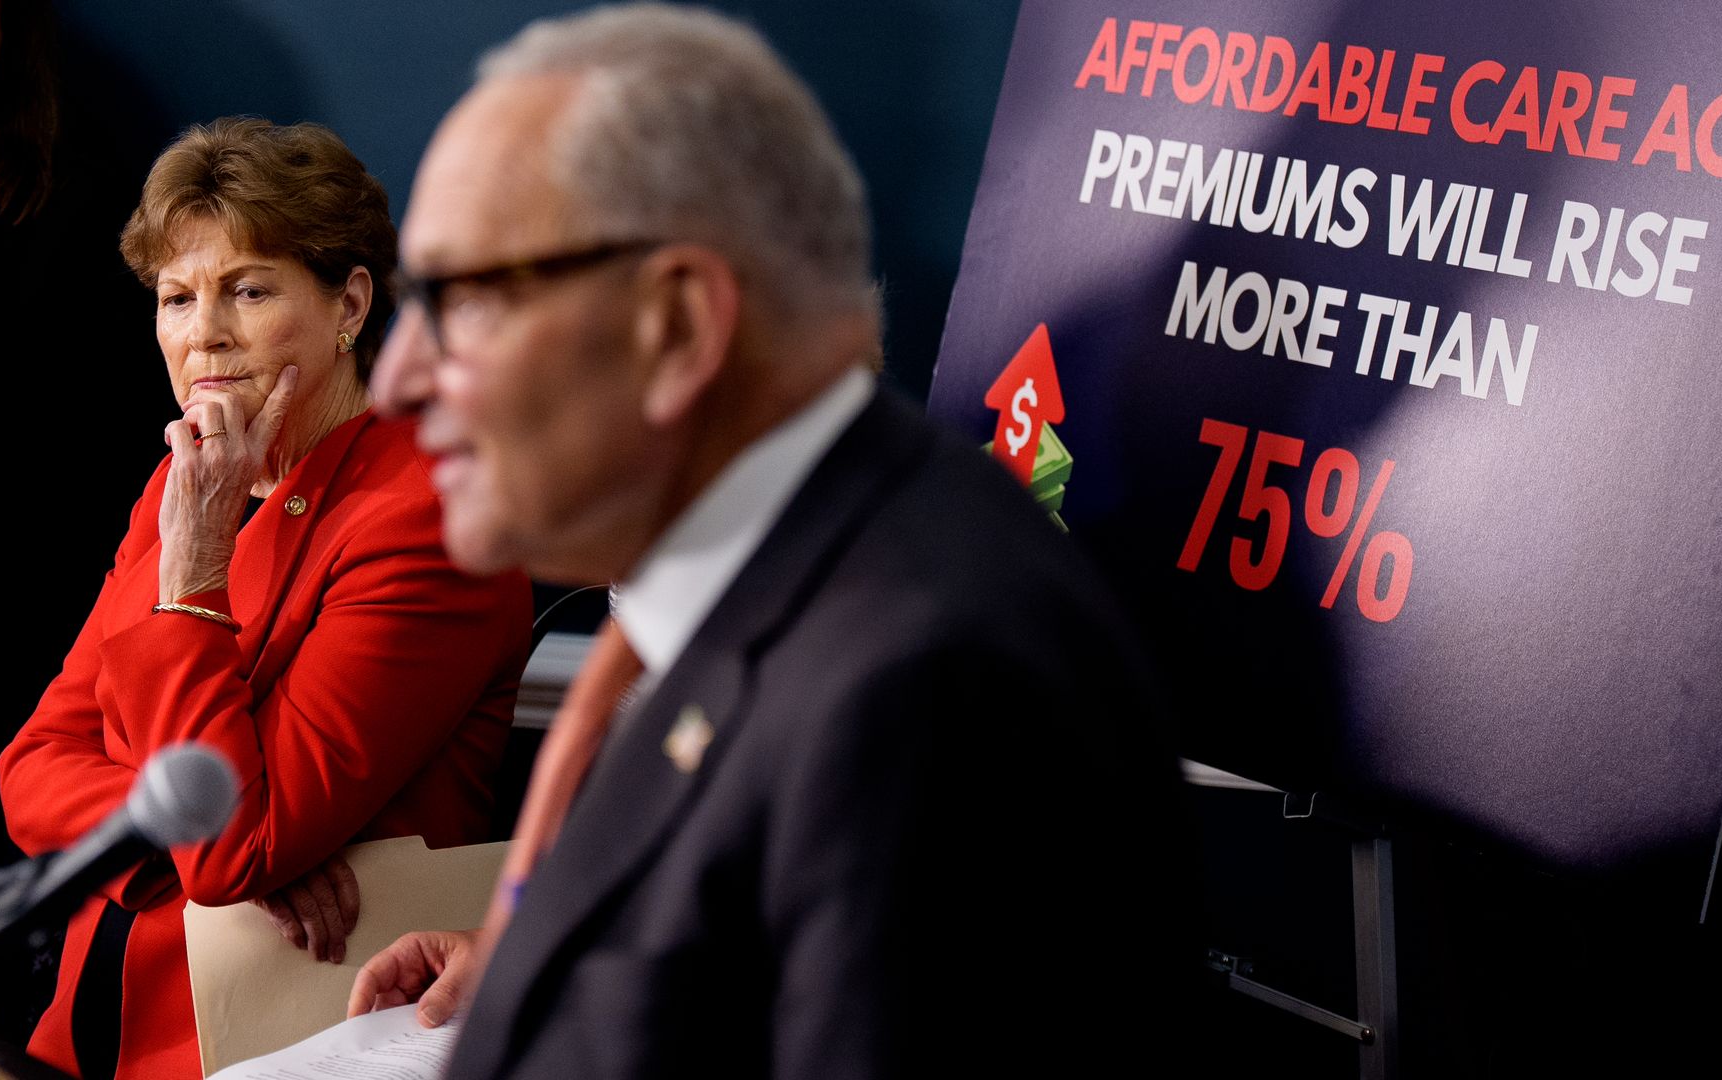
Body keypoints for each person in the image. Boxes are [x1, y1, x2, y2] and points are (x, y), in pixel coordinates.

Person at [347, 6, 1188, 1077]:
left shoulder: (922, 692)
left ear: (683, 326)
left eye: (460, 301)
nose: (397, 383)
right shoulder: (778, 587)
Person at [0, 117, 533, 1080]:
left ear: (350, 305)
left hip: (294, 1042)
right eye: (175, 296)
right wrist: (193, 834)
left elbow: (234, 848)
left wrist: (196, 571)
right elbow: (28, 767)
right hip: (83, 1033)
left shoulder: (430, 518)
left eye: (247, 290)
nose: (203, 332)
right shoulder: (184, 485)